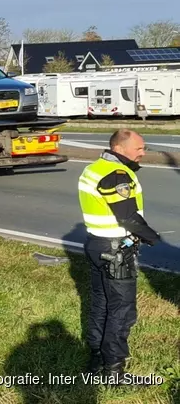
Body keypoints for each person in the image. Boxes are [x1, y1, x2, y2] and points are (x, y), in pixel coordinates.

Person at [78, 129, 161, 379]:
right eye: (139, 149)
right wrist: (153, 238)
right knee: (122, 310)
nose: (143, 153)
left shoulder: (94, 167)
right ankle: (114, 370)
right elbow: (127, 217)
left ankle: (96, 359)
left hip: (96, 245)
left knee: (101, 304)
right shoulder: (116, 174)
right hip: (116, 250)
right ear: (120, 149)